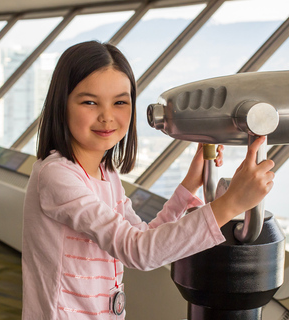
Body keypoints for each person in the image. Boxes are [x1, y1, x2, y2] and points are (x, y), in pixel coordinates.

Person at [21, 41, 275, 319]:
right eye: (90, 102)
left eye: (120, 102)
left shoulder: (106, 174)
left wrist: (189, 186)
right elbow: (139, 251)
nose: (107, 117)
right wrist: (232, 204)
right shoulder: (57, 175)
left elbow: (143, 237)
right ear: (62, 104)